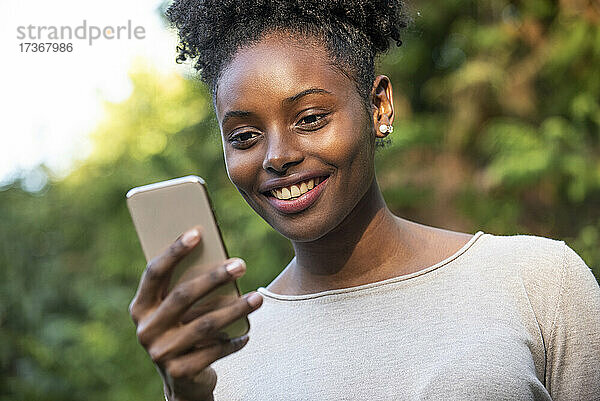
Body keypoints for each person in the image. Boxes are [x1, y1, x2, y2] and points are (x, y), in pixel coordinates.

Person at [128, 1, 600, 400]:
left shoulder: (537, 281)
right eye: (246, 135)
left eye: (310, 117)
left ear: (378, 107)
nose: (278, 156)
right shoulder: (221, 358)